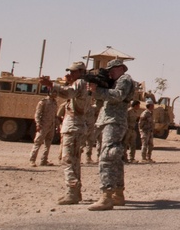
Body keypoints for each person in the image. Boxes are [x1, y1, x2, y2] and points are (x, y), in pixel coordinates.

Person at [88, 59, 136, 211]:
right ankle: (118, 194)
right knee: (115, 158)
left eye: (112, 70)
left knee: (107, 156)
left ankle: (106, 196)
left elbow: (118, 96)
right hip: (110, 121)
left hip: (115, 121)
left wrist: (99, 91)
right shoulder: (114, 82)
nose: (110, 73)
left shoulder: (124, 79)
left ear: (121, 68)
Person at [47, 63, 94, 205]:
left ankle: (72, 191)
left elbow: (69, 93)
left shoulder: (80, 83)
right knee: (74, 160)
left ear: (81, 71)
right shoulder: (83, 83)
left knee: (67, 159)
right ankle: (75, 192)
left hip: (73, 126)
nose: (71, 74)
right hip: (77, 125)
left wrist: (52, 84)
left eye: (73, 72)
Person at [29, 86, 58, 166]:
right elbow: (37, 114)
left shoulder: (54, 102)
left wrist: (57, 125)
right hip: (43, 125)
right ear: (49, 92)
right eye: (54, 92)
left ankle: (44, 160)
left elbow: (55, 115)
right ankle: (32, 160)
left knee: (47, 144)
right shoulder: (43, 102)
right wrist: (38, 124)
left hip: (51, 126)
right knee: (37, 143)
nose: (55, 94)